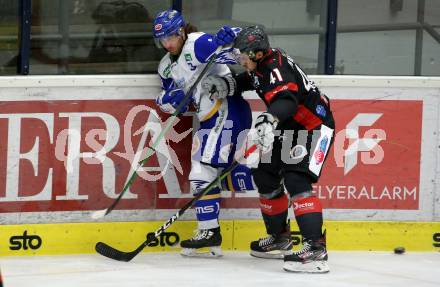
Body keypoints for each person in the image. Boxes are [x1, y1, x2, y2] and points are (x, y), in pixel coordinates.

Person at [215, 25, 334, 273]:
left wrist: (269, 119)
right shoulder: (260, 66)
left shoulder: (276, 68)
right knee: (264, 173)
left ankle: (316, 248)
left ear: (257, 53)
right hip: (287, 126)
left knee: (296, 178)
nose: (240, 59)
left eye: (243, 55)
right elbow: (251, 80)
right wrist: (230, 85)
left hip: (314, 127)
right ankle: (280, 237)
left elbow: (286, 100)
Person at [152, 10, 255, 257]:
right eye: (162, 40)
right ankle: (210, 232)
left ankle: (209, 231)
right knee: (224, 173)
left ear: (180, 32)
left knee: (202, 169)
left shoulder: (198, 42)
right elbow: (168, 102)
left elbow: (239, 56)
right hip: (209, 118)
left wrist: (230, 38)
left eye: (170, 37)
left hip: (227, 110)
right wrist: (171, 99)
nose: (167, 44)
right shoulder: (166, 66)